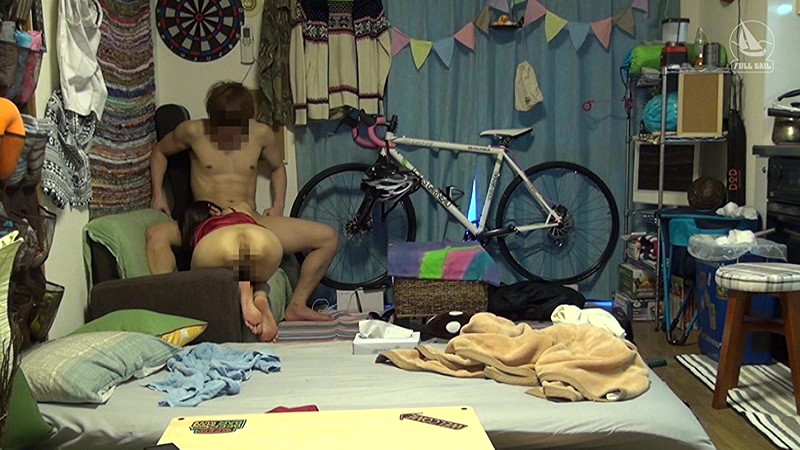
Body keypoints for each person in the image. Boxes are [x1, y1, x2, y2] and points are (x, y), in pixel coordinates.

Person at [147, 81, 337, 327]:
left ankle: (297, 305)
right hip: (208, 219)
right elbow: (159, 153)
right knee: (156, 235)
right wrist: (158, 194)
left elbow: (277, 168)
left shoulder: (261, 134)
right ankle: (166, 307)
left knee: (328, 237)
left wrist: (278, 205)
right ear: (212, 117)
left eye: (236, 127)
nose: (229, 134)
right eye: (222, 127)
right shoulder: (193, 131)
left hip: (251, 218)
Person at [180, 200, 284, 342]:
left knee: (200, 281)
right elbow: (242, 207)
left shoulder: (203, 228)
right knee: (259, 277)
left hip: (219, 242)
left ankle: (243, 288)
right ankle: (259, 295)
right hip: (260, 238)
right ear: (213, 211)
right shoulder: (238, 210)